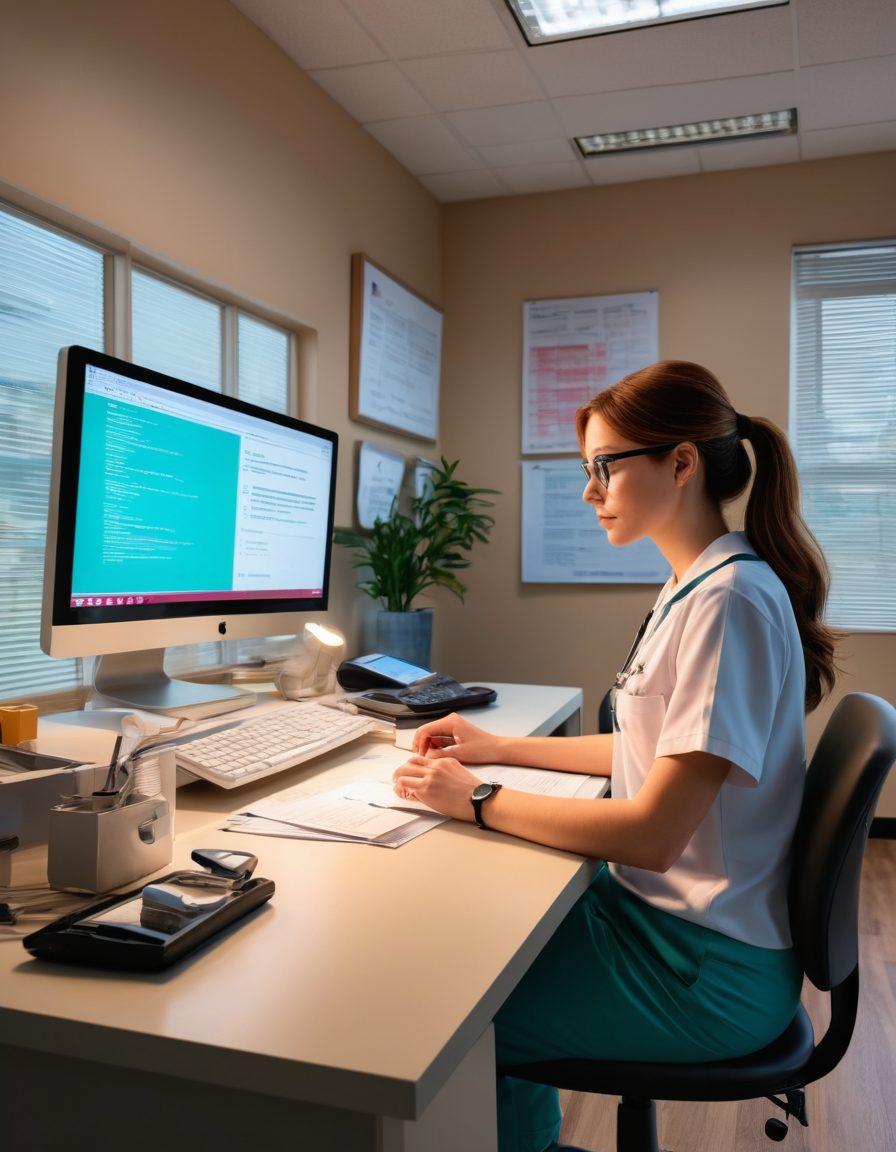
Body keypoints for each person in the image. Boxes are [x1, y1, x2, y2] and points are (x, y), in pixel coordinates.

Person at [392, 361, 841, 1152]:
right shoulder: (697, 585)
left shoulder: (728, 601)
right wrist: (497, 747)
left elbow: (652, 834)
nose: (591, 491)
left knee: (451, 1021)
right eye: (586, 471)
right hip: (673, 930)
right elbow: (648, 748)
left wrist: (475, 798)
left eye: (605, 467)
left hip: (705, 969)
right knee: (474, 945)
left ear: (681, 462)